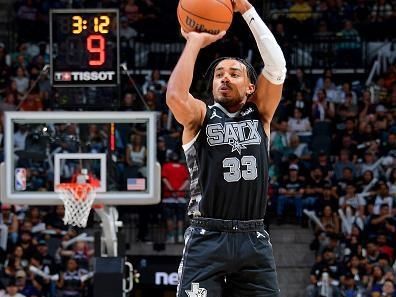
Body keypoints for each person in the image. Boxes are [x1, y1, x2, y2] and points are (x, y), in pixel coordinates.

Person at [166, 0, 286, 295]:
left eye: (234, 73)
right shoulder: (200, 116)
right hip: (207, 235)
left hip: (253, 236)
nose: (224, 78)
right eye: (219, 74)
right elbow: (175, 96)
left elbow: (277, 67)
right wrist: (194, 42)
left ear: (250, 87)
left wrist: (247, 10)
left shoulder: (261, 114)